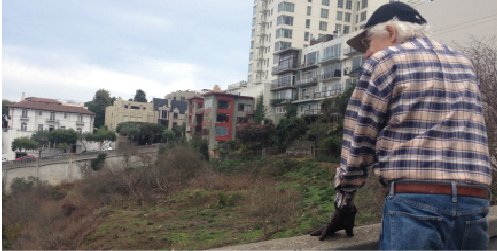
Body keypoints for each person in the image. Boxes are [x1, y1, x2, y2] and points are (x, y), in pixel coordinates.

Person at [310, 2, 492, 250]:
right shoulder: (463, 62)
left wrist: (344, 202)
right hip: (474, 203)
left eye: (367, 43)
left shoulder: (385, 61)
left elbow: (359, 141)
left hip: (415, 203)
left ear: (391, 33)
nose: (366, 53)